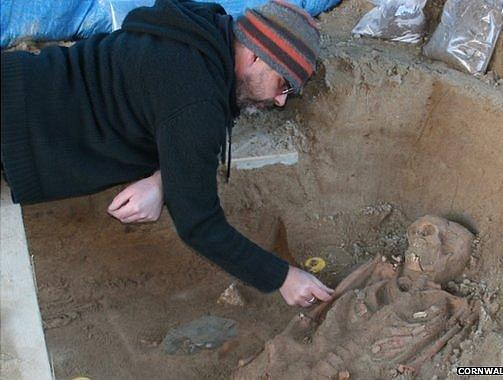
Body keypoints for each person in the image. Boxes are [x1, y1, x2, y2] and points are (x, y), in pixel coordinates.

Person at [1, 0, 333, 307]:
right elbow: (199, 225)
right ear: (256, 56)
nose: (280, 101)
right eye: (283, 84)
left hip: (19, 82)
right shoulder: (196, 102)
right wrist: (283, 277)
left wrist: (163, 181)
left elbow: (172, 110)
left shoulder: (201, 32)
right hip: (15, 130)